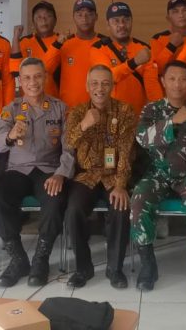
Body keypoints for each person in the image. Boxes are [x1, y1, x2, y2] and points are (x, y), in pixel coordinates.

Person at [130, 60, 186, 294]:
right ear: (163, 81)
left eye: (183, 79)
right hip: (157, 174)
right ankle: (148, 265)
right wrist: (172, 122)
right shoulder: (152, 109)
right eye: (172, 79)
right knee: (138, 199)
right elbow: (142, 139)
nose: (177, 84)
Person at [0, 57, 73, 288]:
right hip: (18, 170)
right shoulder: (12, 109)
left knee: (55, 199)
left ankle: (41, 258)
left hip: (48, 169)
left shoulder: (60, 108)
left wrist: (61, 174)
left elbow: (70, 147)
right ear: (20, 81)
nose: (32, 82)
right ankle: (18, 258)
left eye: (37, 76)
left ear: (45, 78)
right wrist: (10, 135)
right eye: (27, 78)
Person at [63, 64, 137, 289]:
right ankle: (83, 268)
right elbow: (69, 143)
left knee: (121, 207)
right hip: (86, 175)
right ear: (87, 86)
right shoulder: (77, 112)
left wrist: (121, 185)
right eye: (94, 83)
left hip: (114, 175)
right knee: (73, 210)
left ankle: (115, 269)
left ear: (112, 86)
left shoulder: (125, 111)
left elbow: (126, 151)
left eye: (105, 83)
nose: (100, 88)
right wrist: (84, 124)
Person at [90, 2, 161, 114]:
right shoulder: (98, 48)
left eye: (126, 20)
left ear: (131, 22)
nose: (122, 25)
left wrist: (160, 111)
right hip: (109, 115)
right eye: (116, 21)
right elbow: (107, 78)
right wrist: (134, 62)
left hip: (137, 115)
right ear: (108, 25)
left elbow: (152, 84)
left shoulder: (144, 48)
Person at [55, 0, 105, 107]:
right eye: (80, 14)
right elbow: (47, 69)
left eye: (89, 14)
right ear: (73, 17)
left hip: (101, 108)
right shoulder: (64, 44)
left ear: (96, 17)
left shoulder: (106, 43)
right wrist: (57, 45)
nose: (84, 18)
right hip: (69, 109)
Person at [9, 0, 62, 98]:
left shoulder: (64, 41)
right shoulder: (24, 42)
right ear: (33, 22)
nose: (43, 20)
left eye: (48, 16)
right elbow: (15, 71)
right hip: (29, 101)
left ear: (55, 20)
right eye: (39, 17)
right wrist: (15, 38)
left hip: (56, 101)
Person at [149, 0, 186, 76]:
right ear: (168, 18)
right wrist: (171, 46)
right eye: (175, 11)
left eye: (185, 10)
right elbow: (156, 71)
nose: (181, 15)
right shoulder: (157, 39)